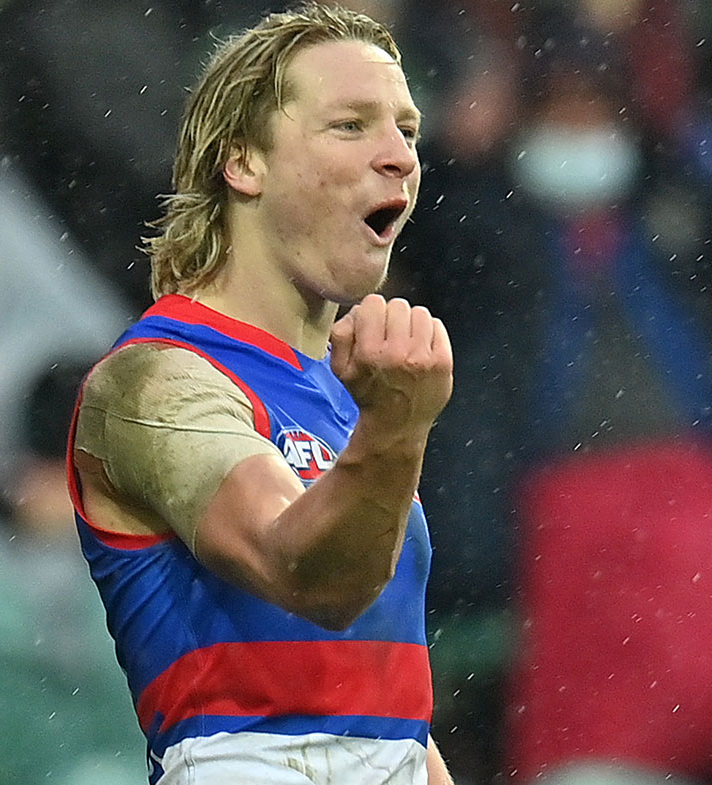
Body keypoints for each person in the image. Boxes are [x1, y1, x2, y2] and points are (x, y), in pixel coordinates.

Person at [67, 5, 454, 784]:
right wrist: (398, 426)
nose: (399, 158)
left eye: (407, 131)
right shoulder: (156, 379)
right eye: (351, 125)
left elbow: (390, 728)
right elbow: (311, 578)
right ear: (243, 162)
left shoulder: (351, 398)